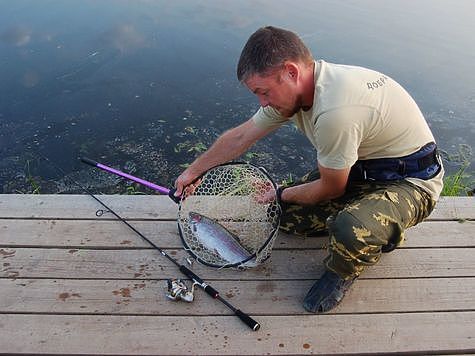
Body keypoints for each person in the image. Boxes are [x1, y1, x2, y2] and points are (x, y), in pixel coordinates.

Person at [174, 26, 444, 313]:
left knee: (351, 227)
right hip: (362, 169)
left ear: (291, 71)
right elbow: (241, 136)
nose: (263, 102)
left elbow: (331, 188)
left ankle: (346, 268)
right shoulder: (300, 90)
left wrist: (281, 193)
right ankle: (367, 218)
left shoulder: (336, 111)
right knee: (285, 218)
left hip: (410, 182)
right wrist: (192, 172)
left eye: (263, 92)